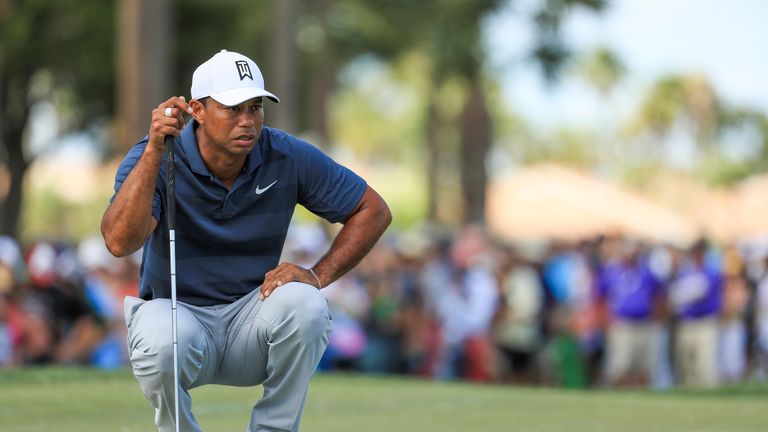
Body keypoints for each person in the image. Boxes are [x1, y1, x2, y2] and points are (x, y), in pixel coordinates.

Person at [101, 50, 391, 432]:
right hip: (179, 320)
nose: (247, 121)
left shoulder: (285, 154)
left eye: (255, 107)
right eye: (233, 108)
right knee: (160, 339)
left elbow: (373, 210)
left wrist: (318, 275)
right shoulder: (155, 157)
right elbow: (120, 242)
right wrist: (155, 150)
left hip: (252, 324)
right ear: (197, 110)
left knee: (307, 304)